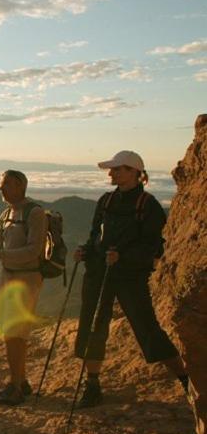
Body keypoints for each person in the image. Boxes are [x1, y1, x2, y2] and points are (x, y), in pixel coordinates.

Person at [72, 150, 188, 408]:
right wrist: (85, 250)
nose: (111, 173)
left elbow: (155, 247)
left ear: (135, 172)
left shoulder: (148, 205)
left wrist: (122, 255)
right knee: (93, 325)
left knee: (146, 326)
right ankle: (92, 384)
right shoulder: (105, 201)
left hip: (129, 276)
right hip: (101, 271)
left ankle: (186, 379)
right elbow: (95, 237)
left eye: (117, 169)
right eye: (112, 170)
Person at [0, 170, 47, 406]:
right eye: (1, 184)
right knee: (12, 332)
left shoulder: (34, 213)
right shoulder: (5, 214)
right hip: (9, 278)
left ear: (20, 186)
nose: (1, 188)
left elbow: (34, 250)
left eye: (6, 184)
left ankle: (15, 386)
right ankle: (21, 381)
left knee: (14, 332)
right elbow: (1, 251)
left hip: (27, 279)